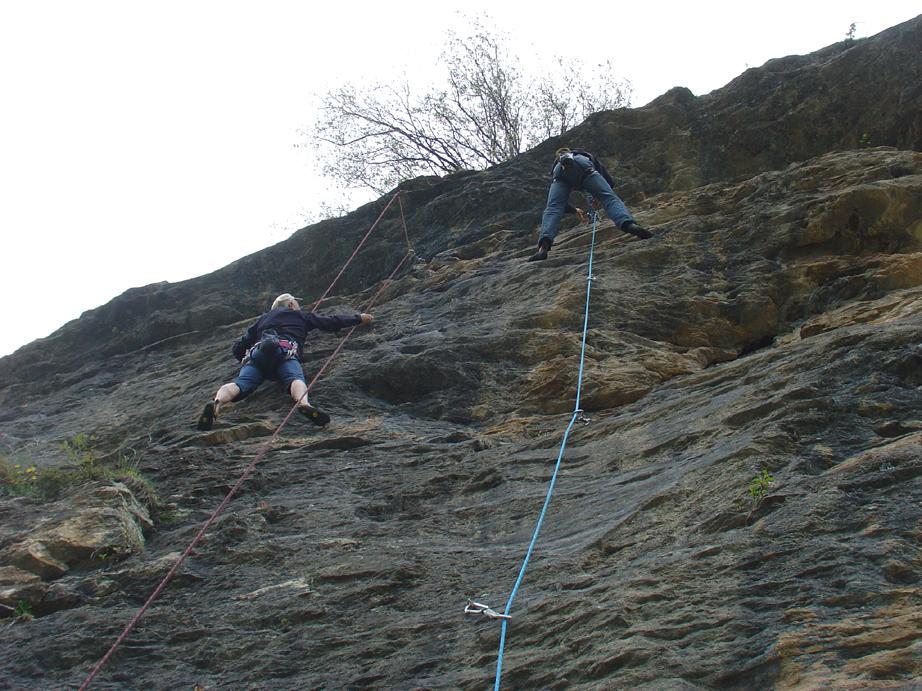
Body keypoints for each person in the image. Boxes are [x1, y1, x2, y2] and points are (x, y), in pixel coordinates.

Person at [196, 293, 374, 431]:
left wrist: (244, 358)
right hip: (285, 351)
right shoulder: (300, 316)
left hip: (257, 355)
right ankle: (304, 405)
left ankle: (217, 402)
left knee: (241, 383)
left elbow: (238, 348)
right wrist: (358, 318)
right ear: (290, 305)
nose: (298, 306)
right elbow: (329, 322)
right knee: (294, 377)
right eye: (296, 303)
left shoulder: (263, 319)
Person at [528, 147, 653, 261]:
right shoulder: (583, 155)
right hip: (583, 165)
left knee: (553, 208)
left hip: (559, 171)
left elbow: (558, 204)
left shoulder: (558, 165)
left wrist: (574, 210)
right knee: (609, 198)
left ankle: (543, 248)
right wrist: (597, 196)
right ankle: (628, 224)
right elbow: (607, 185)